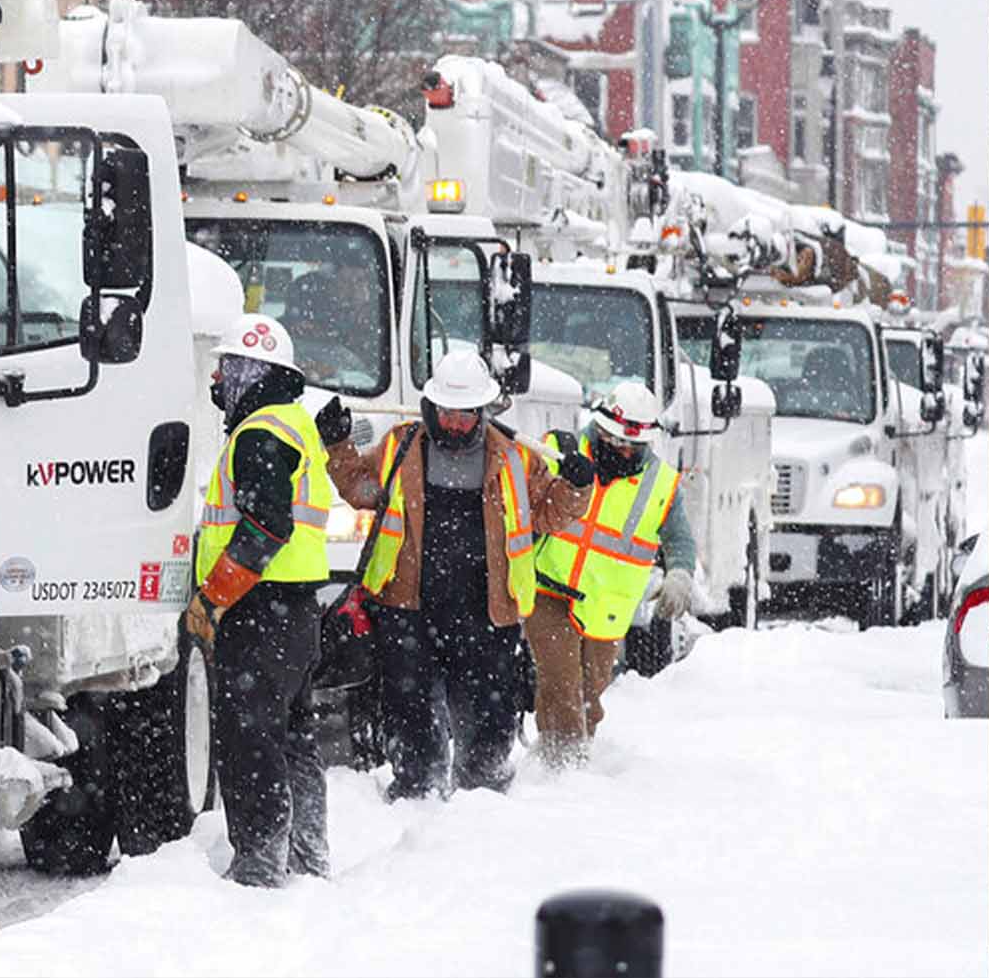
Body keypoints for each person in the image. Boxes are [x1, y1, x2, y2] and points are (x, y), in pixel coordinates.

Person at [323, 349, 592, 799]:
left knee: (490, 715)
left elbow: (551, 511)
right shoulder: (400, 447)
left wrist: (577, 486)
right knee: (410, 709)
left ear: (483, 412)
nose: (454, 424)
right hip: (408, 607)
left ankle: (482, 796)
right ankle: (417, 791)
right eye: (447, 413)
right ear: (431, 407)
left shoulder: (516, 459)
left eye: (465, 416)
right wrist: (338, 445)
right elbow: (361, 488)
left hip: (488, 614)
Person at [183, 313, 337, 886]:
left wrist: (213, 598)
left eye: (227, 368)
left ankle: (260, 863)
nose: (217, 380)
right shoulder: (292, 423)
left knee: (250, 736)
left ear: (252, 371)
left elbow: (265, 528)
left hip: (259, 609)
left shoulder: (260, 433)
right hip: (294, 611)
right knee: (292, 736)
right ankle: (306, 855)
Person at [527, 383, 697, 767]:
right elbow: (526, 501)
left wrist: (680, 574)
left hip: (606, 606)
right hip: (548, 587)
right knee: (561, 681)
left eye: (631, 445)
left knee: (588, 696)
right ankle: (565, 767)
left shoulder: (661, 483)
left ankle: (557, 758)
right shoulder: (561, 451)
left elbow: (679, 538)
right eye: (614, 440)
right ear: (600, 427)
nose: (622, 450)